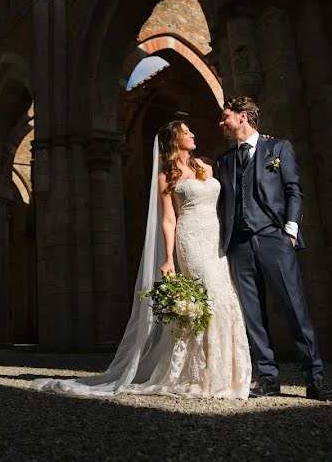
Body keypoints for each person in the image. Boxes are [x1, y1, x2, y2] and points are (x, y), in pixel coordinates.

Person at [32, 121, 251, 398]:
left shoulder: (207, 164)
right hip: (191, 240)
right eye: (187, 131)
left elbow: (236, 170)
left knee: (225, 296)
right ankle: (201, 373)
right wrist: (170, 258)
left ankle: (226, 374)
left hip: (216, 239)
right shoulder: (166, 176)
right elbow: (169, 219)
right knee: (207, 296)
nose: (194, 134)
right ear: (174, 139)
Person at [215, 96, 332, 401]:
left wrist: (291, 229)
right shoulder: (224, 161)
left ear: (243, 117)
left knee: (295, 310)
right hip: (239, 245)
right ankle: (268, 378)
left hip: (274, 238)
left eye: (226, 116)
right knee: (253, 315)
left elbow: (293, 189)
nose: (221, 122)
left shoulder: (278, 148)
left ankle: (315, 378)